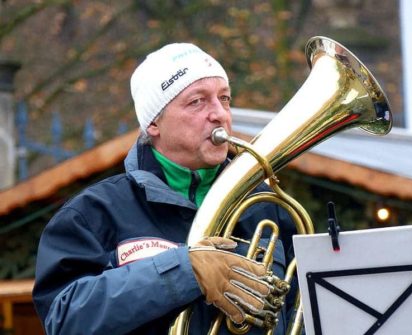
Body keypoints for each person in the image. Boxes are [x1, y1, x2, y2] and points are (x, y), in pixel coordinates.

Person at [32, 43, 298, 334]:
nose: (219, 114)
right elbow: (64, 319)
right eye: (197, 101)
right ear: (154, 123)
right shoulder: (91, 213)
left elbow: (305, 312)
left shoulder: (267, 207)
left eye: (224, 98)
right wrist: (184, 270)